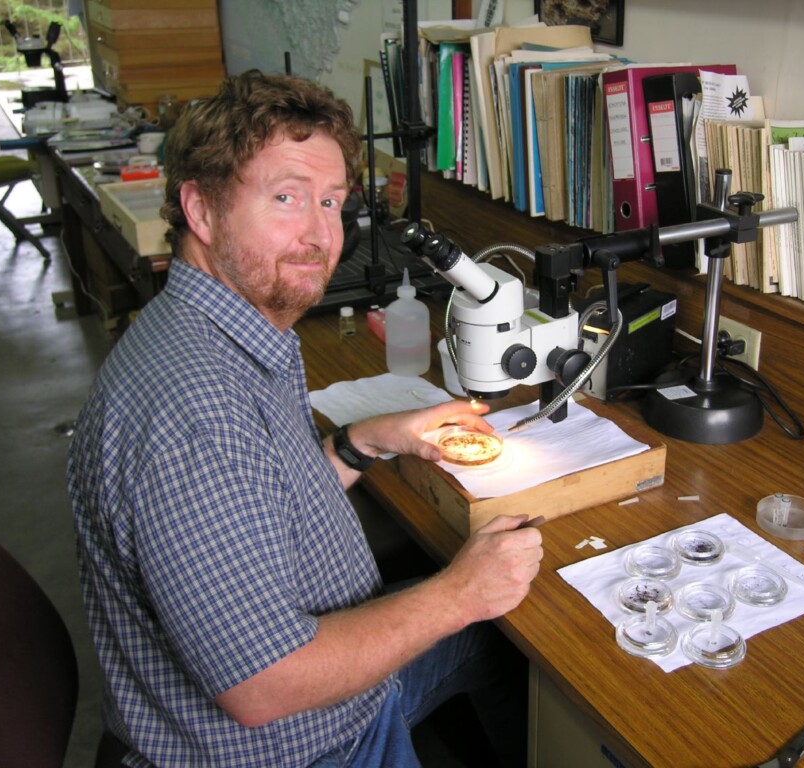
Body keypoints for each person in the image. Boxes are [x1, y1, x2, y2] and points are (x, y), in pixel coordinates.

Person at [67, 70, 543, 768]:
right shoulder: (195, 413)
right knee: (487, 622)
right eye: (286, 197)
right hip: (300, 743)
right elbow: (264, 684)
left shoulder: (226, 327)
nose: (320, 232)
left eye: (331, 202)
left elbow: (254, 504)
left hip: (304, 699)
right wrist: (461, 593)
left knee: (492, 643)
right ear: (201, 210)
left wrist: (362, 444)